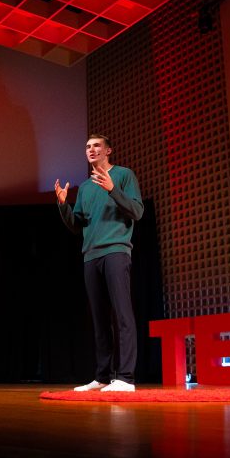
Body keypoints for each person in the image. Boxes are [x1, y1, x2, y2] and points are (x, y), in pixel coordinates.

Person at [55, 134, 144, 392]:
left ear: (108, 151)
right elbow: (76, 225)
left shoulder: (124, 175)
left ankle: (125, 378)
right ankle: (103, 376)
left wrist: (112, 190)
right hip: (90, 256)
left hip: (116, 251)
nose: (91, 150)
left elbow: (137, 212)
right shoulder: (84, 188)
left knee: (122, 315)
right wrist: (63, 205)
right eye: (87, 147)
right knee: (99, 318)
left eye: (96, 146)